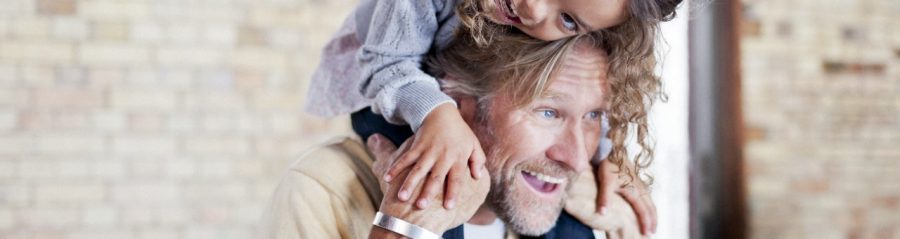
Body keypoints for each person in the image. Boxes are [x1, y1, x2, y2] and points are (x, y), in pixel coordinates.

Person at [303, 0, 681, 216]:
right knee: (438, 190)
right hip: (392, 90)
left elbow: (583, 85)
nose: (532, 9)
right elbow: (385, 65)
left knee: (565, 205)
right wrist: (436, 113)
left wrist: (607, 154)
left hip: (465, 88)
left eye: (567, 19)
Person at [265, 30, 657, 238]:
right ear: (453, 97)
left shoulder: (591, 206)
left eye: (592, 116)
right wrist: (404, 233)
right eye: (549, 112)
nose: (574, 157)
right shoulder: (324, 188)